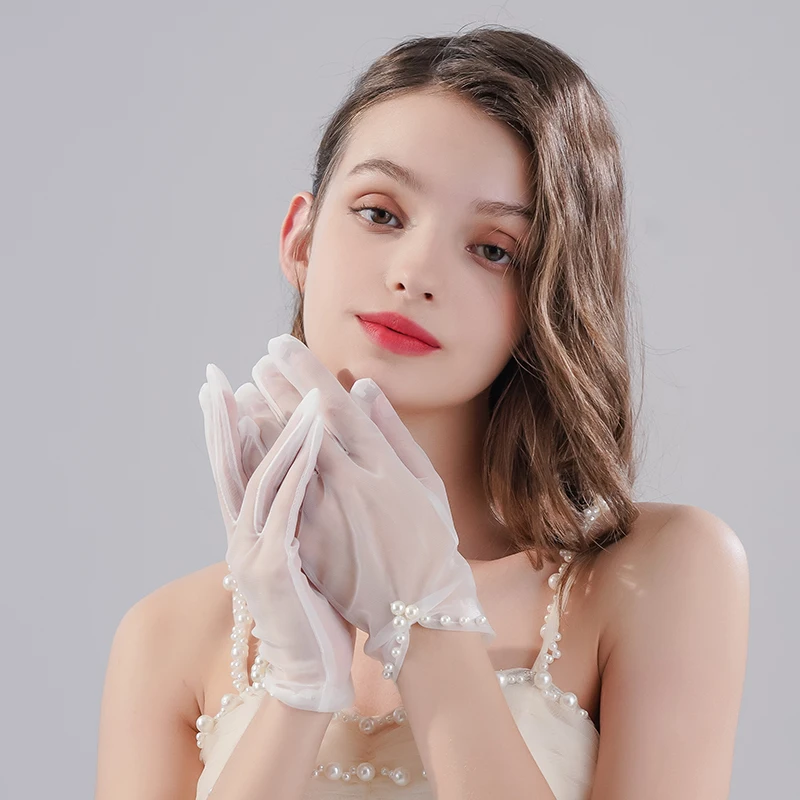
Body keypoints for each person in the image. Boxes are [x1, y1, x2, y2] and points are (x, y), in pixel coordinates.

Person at [94, 26, 750, 800]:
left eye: (494, 249)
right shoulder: (166, 638)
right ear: (300, 240)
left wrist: (428, 613)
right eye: (380, 213)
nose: (414, 273)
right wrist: (300, 687)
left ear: (548, 300)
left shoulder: (659, 574)